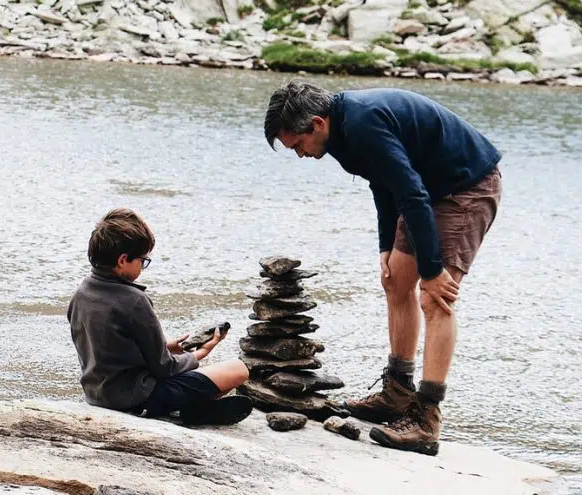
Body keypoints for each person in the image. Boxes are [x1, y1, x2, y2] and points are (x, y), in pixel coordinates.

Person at [264, 82, 502, 455]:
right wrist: (386, 246)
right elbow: (382, 183)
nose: (300, 155)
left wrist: (433, 269)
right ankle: (397, 393)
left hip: (464, 188)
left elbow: (409, 192)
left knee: (435, 298)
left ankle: (426, 419)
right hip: (424, 190)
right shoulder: (340, 133)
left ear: (316, 123)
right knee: (395, 280)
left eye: (297, 145)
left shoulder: (362, 123)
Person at [67, 208, 252, 425]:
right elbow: (165, 368)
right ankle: (189, 410)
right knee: (237, 370)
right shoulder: (134, 301)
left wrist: (167, 346)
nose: (143, 267)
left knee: (197, 374)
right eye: (142, 261)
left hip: (97, 395)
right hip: (137, 398)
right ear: (122, 260)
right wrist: (200, 353)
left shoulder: (81, 294)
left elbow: (111, 351)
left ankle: (193, 408)